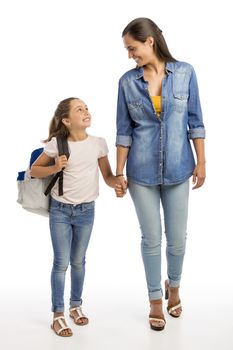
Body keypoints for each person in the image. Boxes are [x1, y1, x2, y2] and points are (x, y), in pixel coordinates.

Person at [115, 18, 206, 331]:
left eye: (132, 48)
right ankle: (155, 299)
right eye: (128, 50)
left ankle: (175, 287)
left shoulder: (186, 73)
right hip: (141, 173)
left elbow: (195, 121)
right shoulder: (127, 82)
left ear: (150, 41)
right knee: (151, 239)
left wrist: (202, 161)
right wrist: (118, 173)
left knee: (177, 240)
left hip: (180, 168)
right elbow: (124, 131)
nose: (130, 55)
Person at [31, 97, 124, 337]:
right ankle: (58, 315)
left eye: (86, 108)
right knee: (61, 263)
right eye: (79, 109)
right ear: (66, 120)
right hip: (61, 211)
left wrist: (119, 183)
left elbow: (108, 177)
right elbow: (34, 170)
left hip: (86, 211)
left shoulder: (98, 144)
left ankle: (76, 305)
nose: (86, 111)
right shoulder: (57, 144)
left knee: (79, 262)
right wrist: (54, 167)